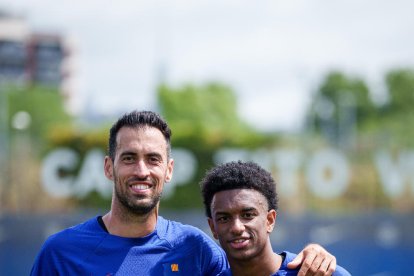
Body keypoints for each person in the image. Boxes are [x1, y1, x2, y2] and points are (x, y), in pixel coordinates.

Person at [31, 110, 341, 275]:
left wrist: (312, 256)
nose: (142, 171)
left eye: (153, 159)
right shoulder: (60, 254)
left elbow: (258, 264)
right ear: (109, 168)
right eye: (129, 158)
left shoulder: (196, 249)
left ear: (168, 170)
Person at [200, 160, 351, 276]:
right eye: (224, 218)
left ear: (270, 220)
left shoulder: (320, 273)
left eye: (247, 215)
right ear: (213, 227)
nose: (237, 227)